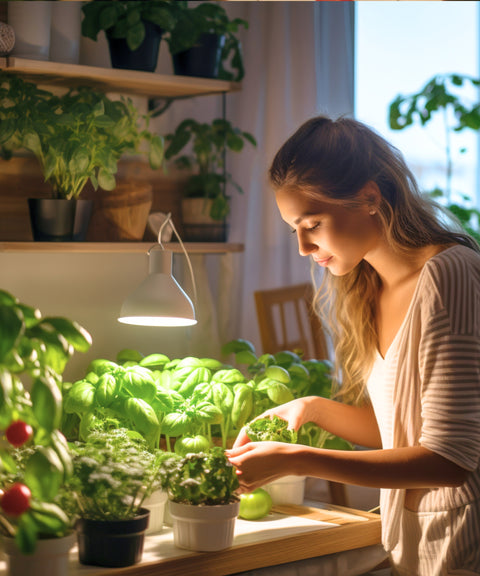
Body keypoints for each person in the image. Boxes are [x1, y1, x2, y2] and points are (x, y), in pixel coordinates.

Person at [226, 116, 480, 575]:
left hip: (461, 549)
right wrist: (313, 408)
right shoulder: (369, 288)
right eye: (294, 229)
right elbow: (401, 433)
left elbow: (449, 461)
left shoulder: (448, 276)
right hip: (415, 550)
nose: (303, 246)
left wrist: (298, 459)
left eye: (313, 224)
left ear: (368, 197)